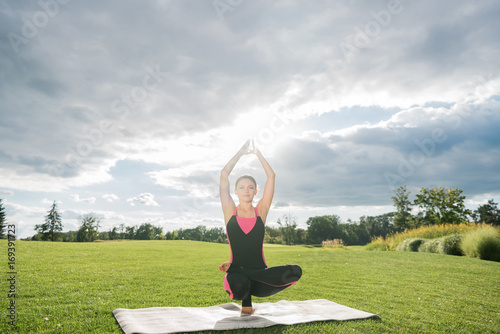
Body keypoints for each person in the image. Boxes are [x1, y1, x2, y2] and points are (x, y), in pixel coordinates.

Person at [218, 139, 302, 315]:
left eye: (250, 187)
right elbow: (224, 174)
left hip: (261, 278)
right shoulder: (229, 211)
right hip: (236, 282)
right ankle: (235, 274)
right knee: (241, 284)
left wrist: (258, 154)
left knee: (295, 271)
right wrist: (240, 152)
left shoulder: (260, 212)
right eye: (241, 187)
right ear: (236, 191)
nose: (246, 190)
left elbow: (271, 176)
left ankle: (233, 267)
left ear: (256, 191)